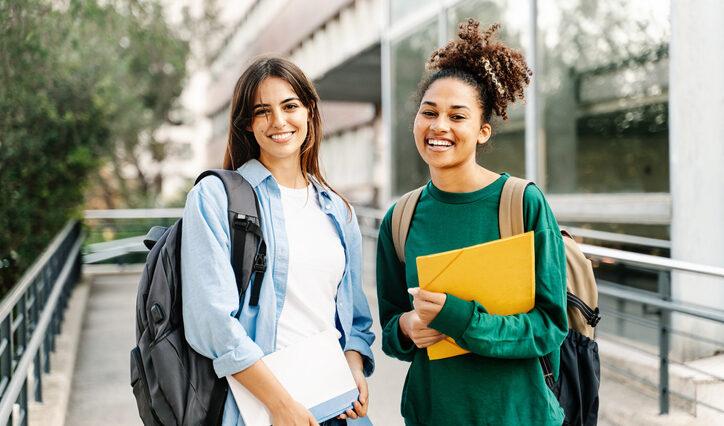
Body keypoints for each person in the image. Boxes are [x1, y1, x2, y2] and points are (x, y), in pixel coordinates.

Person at [376, 20, 568, 426]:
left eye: (456, 116)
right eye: (429, 112)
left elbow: (550, 326)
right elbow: (391, 330)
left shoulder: (521, 203)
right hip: (433, 414)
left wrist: (463, 320)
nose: (439, 126)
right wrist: (408, 328)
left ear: (482, 131)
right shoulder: (400, 219)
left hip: (519, 414)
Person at [181, 56, 375, 426]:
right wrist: (280, 405)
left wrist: (354, 367)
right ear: (247, 125)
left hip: (338, 408)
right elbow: (212, 323)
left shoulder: (338, 210)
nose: (279, 122)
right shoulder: (215, 197)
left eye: (290, 106)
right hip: (260, 410)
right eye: (262, 111)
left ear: (309, 111)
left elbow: (355, 319)